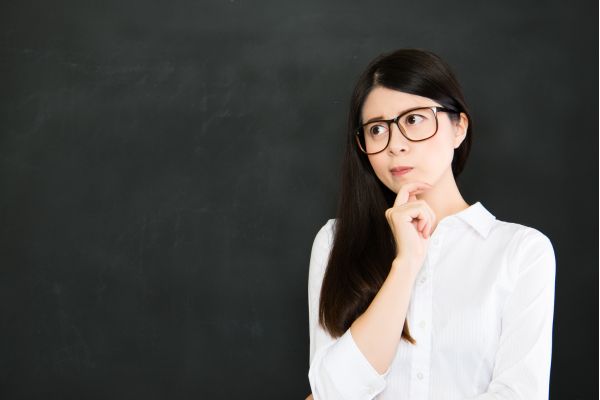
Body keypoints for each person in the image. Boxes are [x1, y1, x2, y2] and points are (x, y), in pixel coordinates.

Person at [305, 49, 556, 400]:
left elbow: (519, 394)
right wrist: (405, 264)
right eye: (377, 129)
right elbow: (332, 393)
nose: (396, 145)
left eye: (413, 120)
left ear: (458, 128)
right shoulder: (336, 241)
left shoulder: (521, 251)